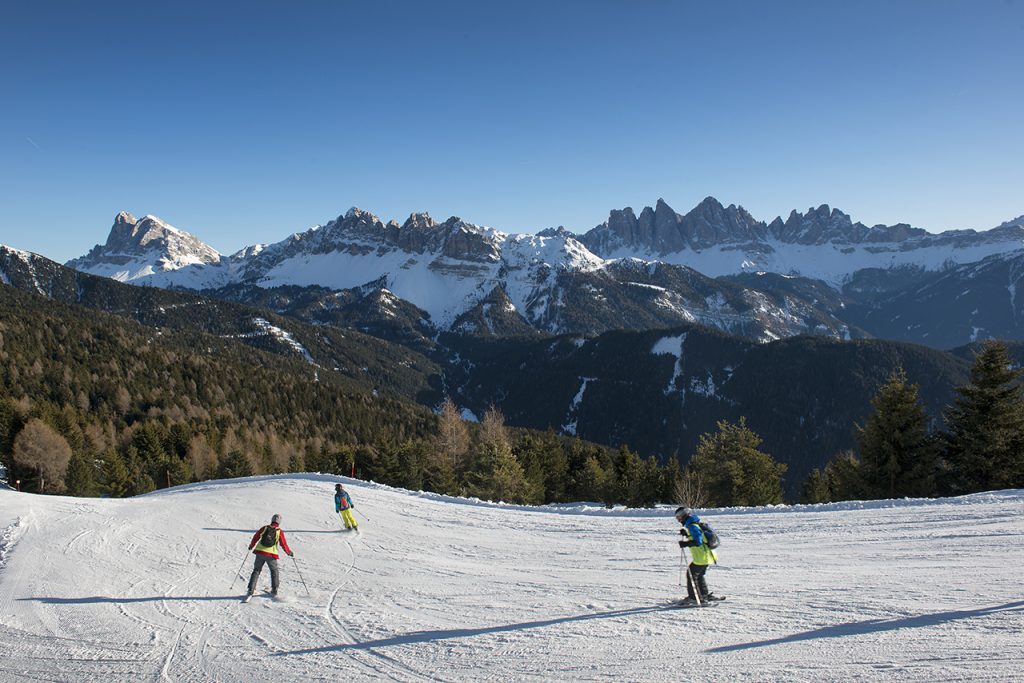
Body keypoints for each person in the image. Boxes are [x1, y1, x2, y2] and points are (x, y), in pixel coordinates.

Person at [675, 506, 721, 604]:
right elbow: (699, 537)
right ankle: (703, 595)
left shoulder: (692, 526)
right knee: (699, 575)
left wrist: (686, 544)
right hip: (708, 556)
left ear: (684, 515)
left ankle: (694, 598)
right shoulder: (694, 524)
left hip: (702, 557)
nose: (678, 520)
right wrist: (686, 534)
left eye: (678, 517)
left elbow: (698, 541)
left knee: (691, 575)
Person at [246, 513, 293, 598]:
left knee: (256, 570)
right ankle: (274, 590)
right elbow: (283, 544)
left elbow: (256, 537)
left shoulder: (265, 528)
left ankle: (250, 590)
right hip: (271, 555)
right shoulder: (279, 531)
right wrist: (289, 552)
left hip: (260, 552)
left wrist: (251, 546)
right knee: (274, 571)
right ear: (279, 522)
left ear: (272, 520)